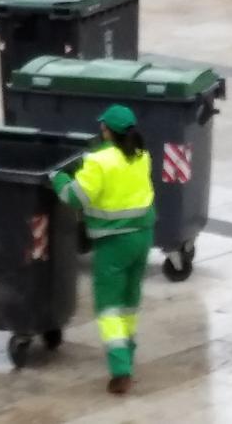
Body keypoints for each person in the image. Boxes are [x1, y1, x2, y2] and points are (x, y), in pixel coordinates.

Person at [49, 104, 154, 395]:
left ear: (107, 130)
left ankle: (120, 370)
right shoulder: (142, 155)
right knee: (130, 300)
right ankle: (128, 352)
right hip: (142, 237)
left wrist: (58, 176)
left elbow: (75, 197)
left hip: (113, 242)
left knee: (108, 307)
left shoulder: (99, 161)